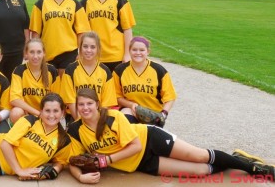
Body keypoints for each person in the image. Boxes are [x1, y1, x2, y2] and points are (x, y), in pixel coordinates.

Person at [67, 88, 274, 184]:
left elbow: (136, 146)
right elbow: (72, 159)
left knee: (200, 156)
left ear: (97, 105)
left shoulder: (112, 117)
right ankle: (235, 158)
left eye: (89, 104)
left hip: (150, 140)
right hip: (140, 165)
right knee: (202, 171)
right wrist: (81, 177)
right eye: (81, 105)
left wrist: (107, 159)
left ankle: (253, 167)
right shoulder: (76, 130)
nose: (85, 108)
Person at [29, 0, 90, 76]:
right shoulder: (41, 3)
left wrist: (80, 53)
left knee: (65, 87)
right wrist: (35, 52)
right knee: (49, 88)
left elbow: (82, 33)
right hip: (46, 52)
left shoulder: (75, 4)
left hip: (68, 52)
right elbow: (35, 33)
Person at [80, 0, 135, 72]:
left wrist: (127, 54)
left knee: (115, 88)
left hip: (115, 55)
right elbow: (80, 30)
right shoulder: (85, 2)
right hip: (93, 54)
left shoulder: (120, 1)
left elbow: (127, 29)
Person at [113, 36, 176, 126]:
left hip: (153, 115)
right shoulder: (120, 70)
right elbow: (117, 97)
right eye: (134, 50)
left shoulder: (158, 70)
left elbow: (170, 97)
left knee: (149, 138)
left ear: (148, 52)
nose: (138, 53)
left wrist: (164, 114)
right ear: (129, 51)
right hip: (131, 111)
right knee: (125, 119)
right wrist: (131, 105)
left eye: (142, 50)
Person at [60, 31, 117, 121]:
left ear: (98, 49)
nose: (88, 50)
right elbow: (70, 101)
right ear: (80, 48)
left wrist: (97, 121)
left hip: (99, 118)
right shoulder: (70, 69)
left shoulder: (105, 71)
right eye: (85, 46)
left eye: (93, 47)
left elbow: (106, 103)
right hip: (76, 117)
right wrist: (79, 121)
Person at [9, 38, 61, 124]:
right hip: (27, 113)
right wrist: (38, 113)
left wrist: (45, 114)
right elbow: (14, 99)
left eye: (39, 52)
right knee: (16, 112)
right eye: (32, 52)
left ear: (44, 53)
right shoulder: (19, 70)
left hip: (47, 114)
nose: (35, 56)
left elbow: (57, 99)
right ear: (26, 54)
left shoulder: (51, 71)